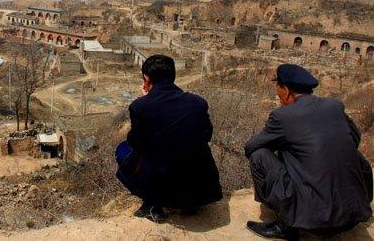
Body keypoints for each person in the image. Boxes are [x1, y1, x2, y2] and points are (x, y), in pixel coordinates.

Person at [245, 64, 372, 240]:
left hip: (313, 221)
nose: (277, 93)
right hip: (352, 217)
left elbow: (251, 148)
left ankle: (285, 225)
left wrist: (285, 148)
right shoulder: (335, 106)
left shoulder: (283, 116)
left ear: (287, 90)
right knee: (352, 155)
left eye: (278, 88)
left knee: (259, 156)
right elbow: (354, 139)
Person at [116, 54, 222, 222]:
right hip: (202, 189)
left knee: (122, 150)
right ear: (173, 76)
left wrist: (146, 100)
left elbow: (135, 143)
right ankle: (188, 205)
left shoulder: (140, 106)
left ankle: (152, 204)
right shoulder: (198, 102)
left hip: (165, 190)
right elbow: (207, 135)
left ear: (146, 78)